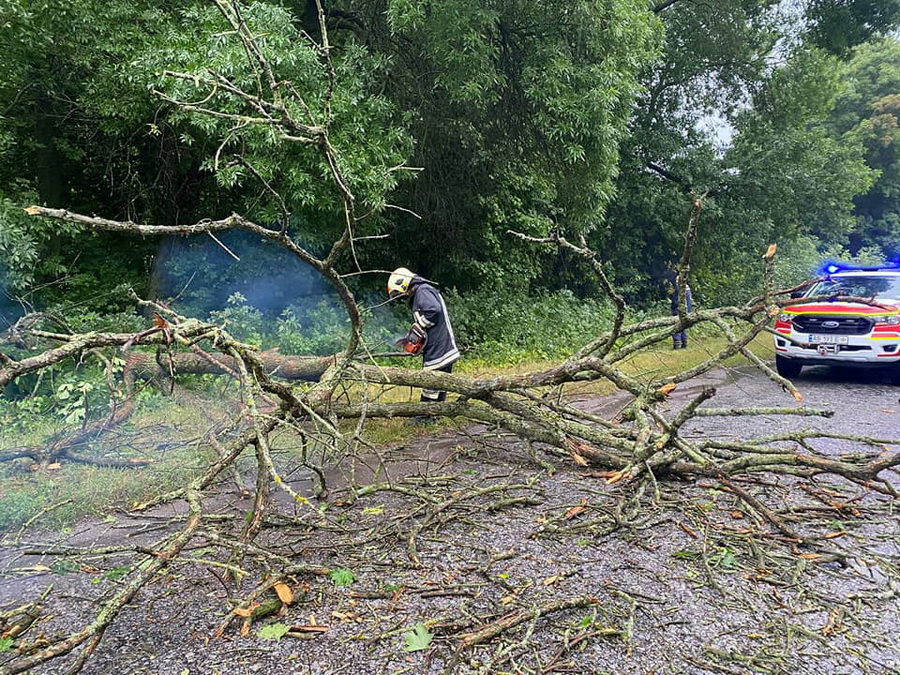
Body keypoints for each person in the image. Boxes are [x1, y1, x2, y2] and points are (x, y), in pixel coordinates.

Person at [387, 267, 460, 402]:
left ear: (403, 283)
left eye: (400, 293)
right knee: (439, 388)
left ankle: (426, 412)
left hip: (438, 349)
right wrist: (408, 338)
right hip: (439, 348)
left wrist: (420, 324)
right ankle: (439, 410)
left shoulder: (422, 291)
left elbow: (434, 311)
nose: (403, 295)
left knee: (429, 388)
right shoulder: (422, 291)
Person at [666, 270, 693, 349]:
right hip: (687, 310)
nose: (676, 281)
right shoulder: (688, 289)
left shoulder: (679, 290)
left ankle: (677, 342)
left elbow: (675, 303)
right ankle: (684, 342)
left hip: (678, 310)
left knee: (676, 324)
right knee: (684, 324)